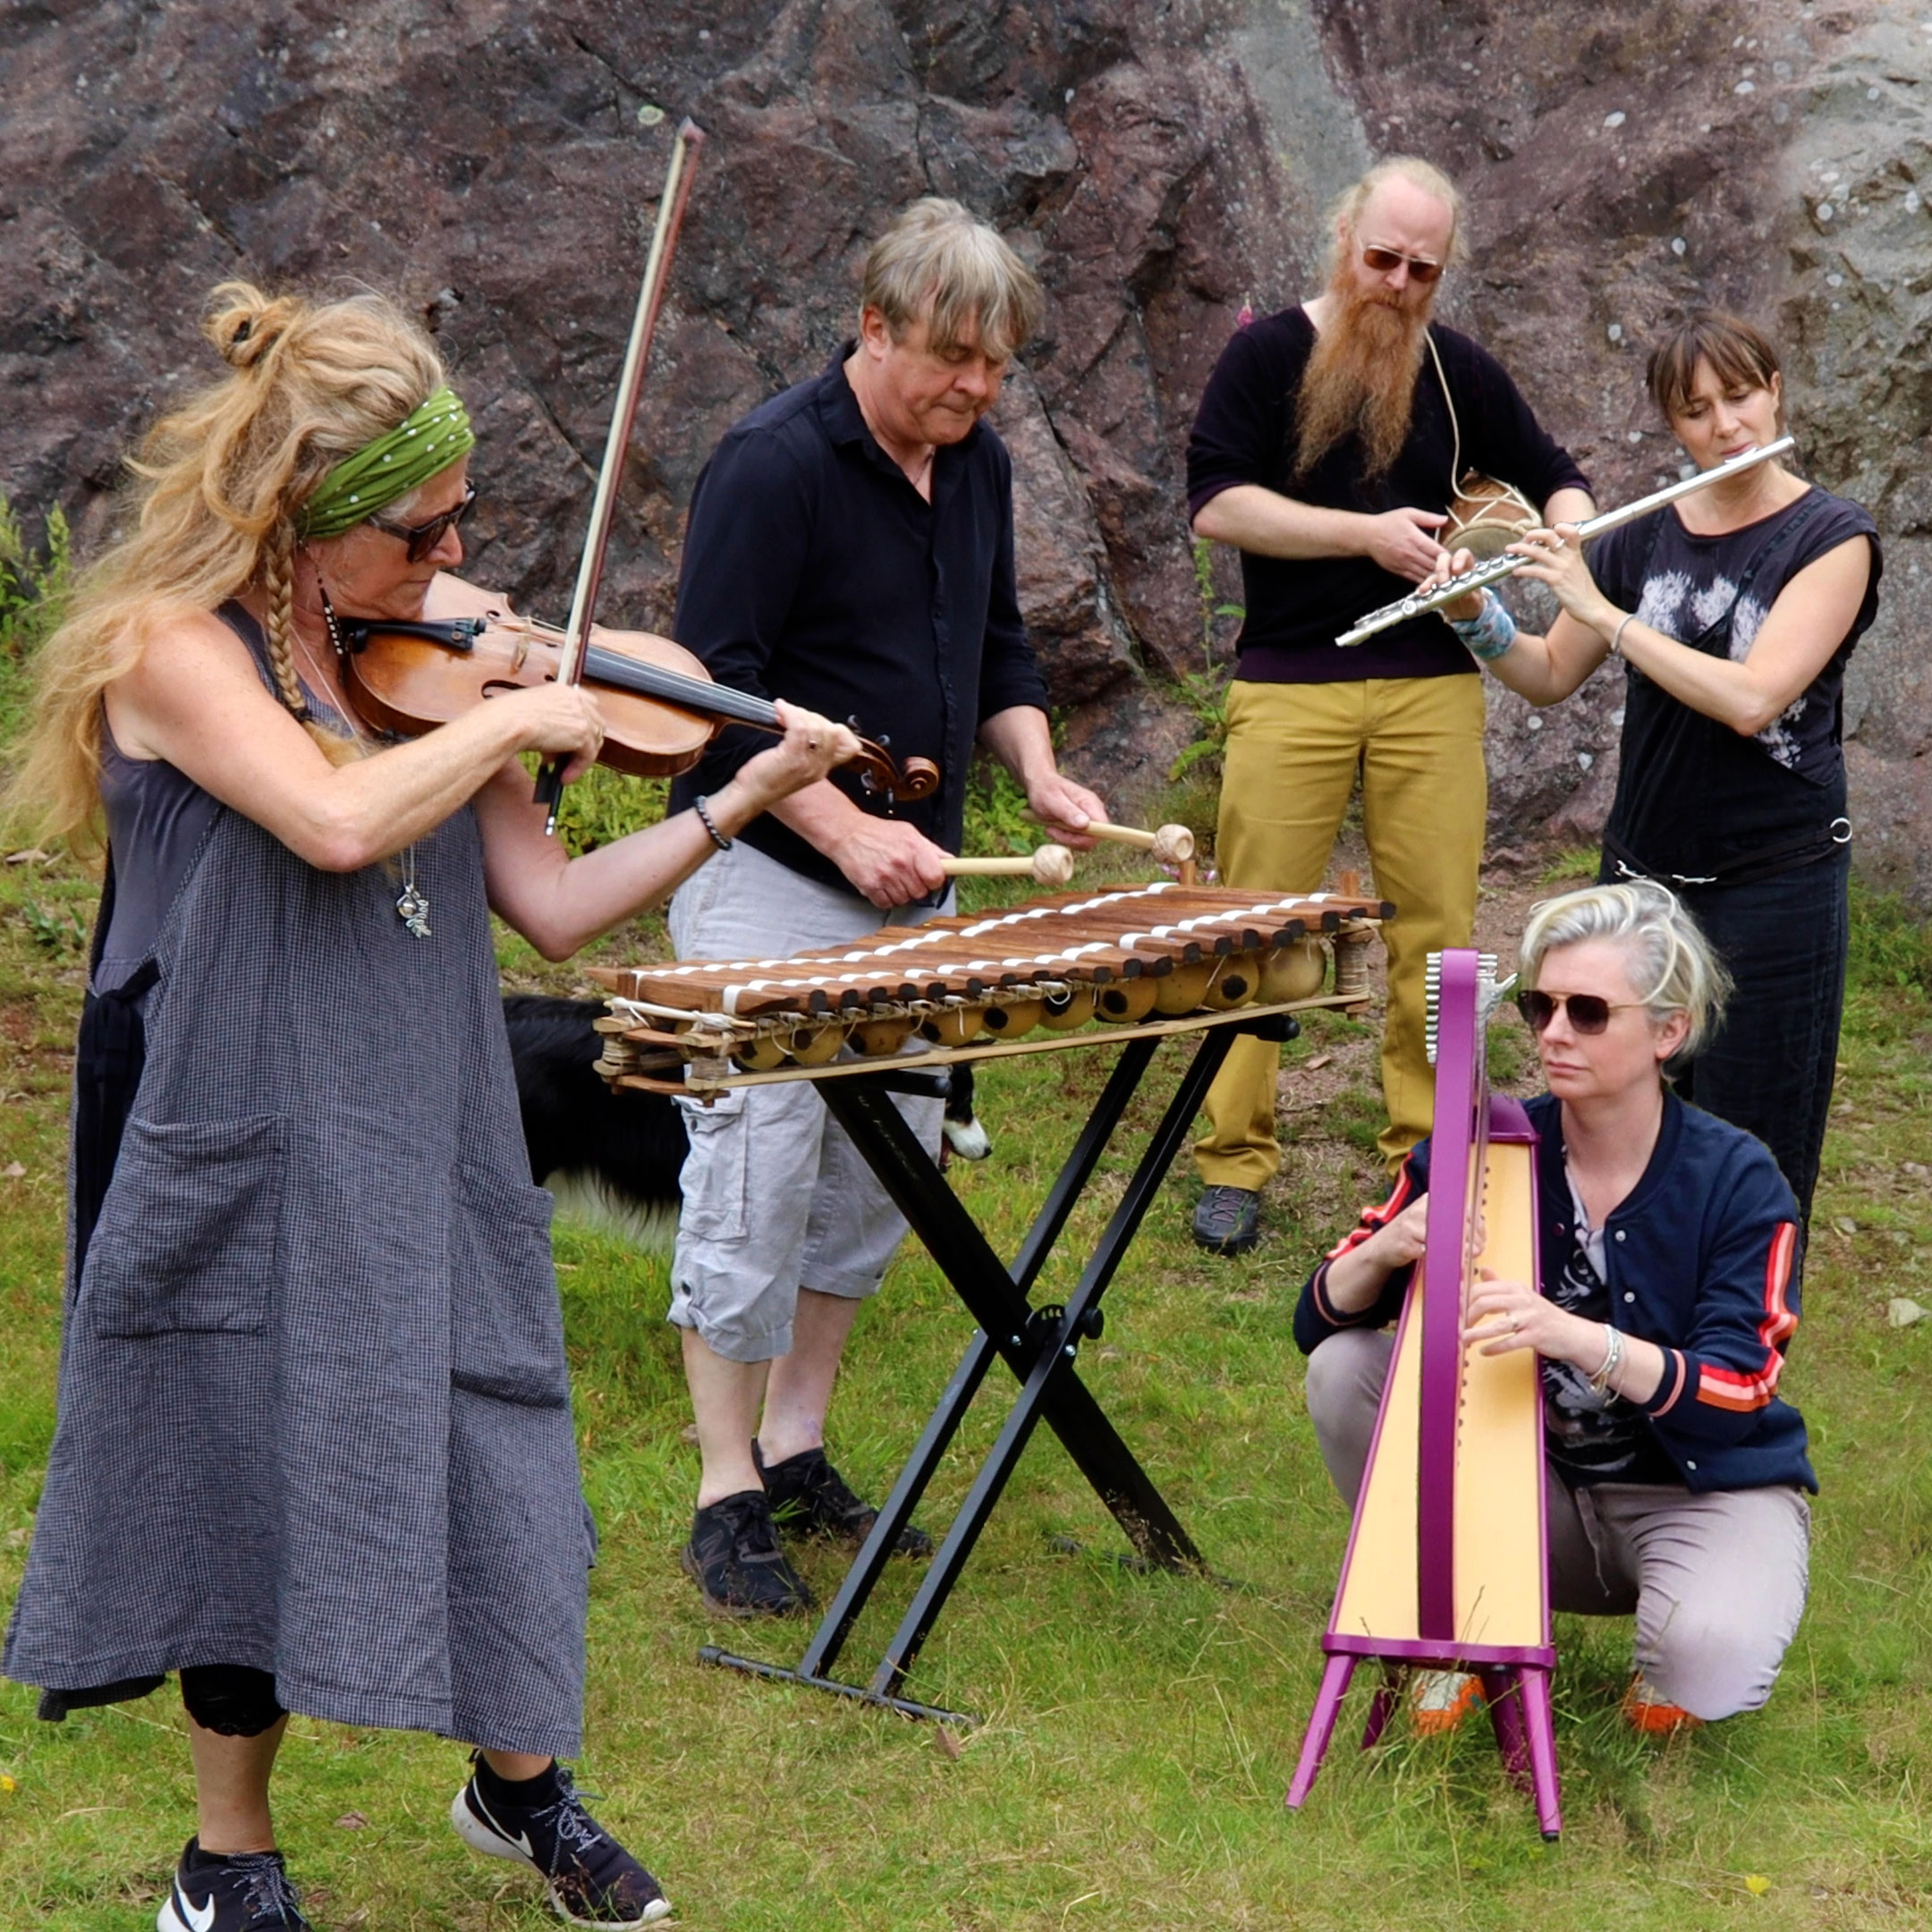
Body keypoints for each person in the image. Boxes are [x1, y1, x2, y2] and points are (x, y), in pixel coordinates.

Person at [0, 282, 858, 1932]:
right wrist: (522, 715)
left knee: (489, 1416)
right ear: (296, 519)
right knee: (232, 1453)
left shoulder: (428, 665)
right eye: (416, 530)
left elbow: (551, 907)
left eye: (463, 517)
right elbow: (330, 823)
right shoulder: (171, 652)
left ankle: (519, 1785)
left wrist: (738, 794)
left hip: (413, 1094)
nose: (449, 562)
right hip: (222, 1101)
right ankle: (225, 1860)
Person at [663, 198, 1109, 1616]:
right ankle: (723, 1485)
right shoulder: (770, 467)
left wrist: (1035, 771)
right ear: (874, 327)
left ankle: (797, 1445)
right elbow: (705, 701)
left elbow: (998, 644)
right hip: (769, 883)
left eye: (997, 366)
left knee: (880, 1178)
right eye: (953, 360)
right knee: (757, 1172)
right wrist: (846, 828)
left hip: (916, 895)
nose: (977, 389)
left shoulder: (972, 467)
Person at [1183, 156, 1594, 1258]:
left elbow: (1560, 471)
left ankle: (1430, 1152)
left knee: (1441, 935)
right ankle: (1231, 1159)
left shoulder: (1458, 372)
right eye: (1383, 259)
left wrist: (1559, 532)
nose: (1399, 284)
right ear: (1343, 235)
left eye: (1424, 269)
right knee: (1254, 924)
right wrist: (1362, 535)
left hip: (1432, 688)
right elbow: (1216, 506)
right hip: (1288, 682)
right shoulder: (1266, 353)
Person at [1297, 881, 1813, 1730]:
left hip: (1695, 1492)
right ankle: (1456, 1624)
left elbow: (1736, 1394)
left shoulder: (1737, 1179)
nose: (1554, 1033)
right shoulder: (1483, 1148)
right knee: (1344, 1368)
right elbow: (1315, 1320)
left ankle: (1682, 1640)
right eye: (1540, 1006)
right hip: (1530, 1486)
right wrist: (1389, 1247)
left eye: (1589, 1012)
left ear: (1669, 1030)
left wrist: (1576, 1336)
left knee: (1707, 1665)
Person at [1427, 311, 1878, 1233]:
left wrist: (1600, 608)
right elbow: (1550, 674)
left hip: (1774, 882)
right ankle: (1610, 1340)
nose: (1727, 426)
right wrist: (1472, 612)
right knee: (1615, 1119)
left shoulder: (1834, 538)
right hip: (1644, 881)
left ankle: (1732, 1360)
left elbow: (1754, 698)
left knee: (1757, 1138)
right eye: (1697, 410)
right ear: (1673, 424)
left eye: (1741, 396)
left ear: (1776, 387)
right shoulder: (1647, 531)